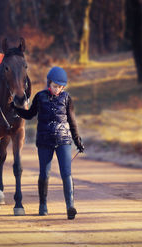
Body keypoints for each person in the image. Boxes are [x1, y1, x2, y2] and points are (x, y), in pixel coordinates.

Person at [14, 66, 85, 220]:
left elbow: (72, 121)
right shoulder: (40, 97)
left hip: (63, 141)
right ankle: (43, 205)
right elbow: (30, 114)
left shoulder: (67, 99)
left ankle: (70, 206)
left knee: (66, 173)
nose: (57, 90)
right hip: (44, 141)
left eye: (60, 87)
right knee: (44, 174)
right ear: (49, 83)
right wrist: (16, 108)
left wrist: (77, 140)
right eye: (54, 86)